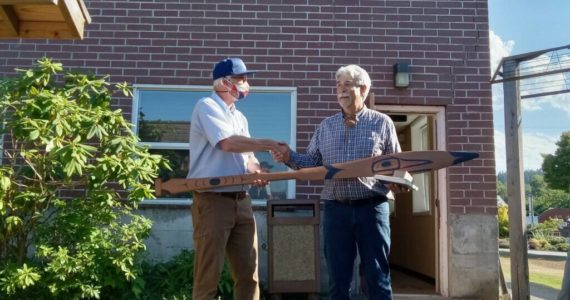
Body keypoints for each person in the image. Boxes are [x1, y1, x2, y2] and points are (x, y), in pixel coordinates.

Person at [273, 64, 405, 299]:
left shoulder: (382, 123)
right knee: (338, 279)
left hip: (372, 208)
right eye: (337, 85)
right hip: (336, 209)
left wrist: (400, 179)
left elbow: (396, 164)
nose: (340, 90)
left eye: (347, 85)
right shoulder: (326, 126)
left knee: (377, 277)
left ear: (363, 89)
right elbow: (311, 161)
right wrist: (289, 156)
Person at [188, 57, 283, 300]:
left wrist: (257, 171)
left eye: (245, 79)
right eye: (241, 79)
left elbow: (248, 157)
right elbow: (227, 143)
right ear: (223, 82)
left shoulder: (240, 117)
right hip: (212, 201)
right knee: (208, 276)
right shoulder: (206, 105)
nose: (245, 83)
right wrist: (266, 142)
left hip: (242, 201)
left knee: (248, 274)